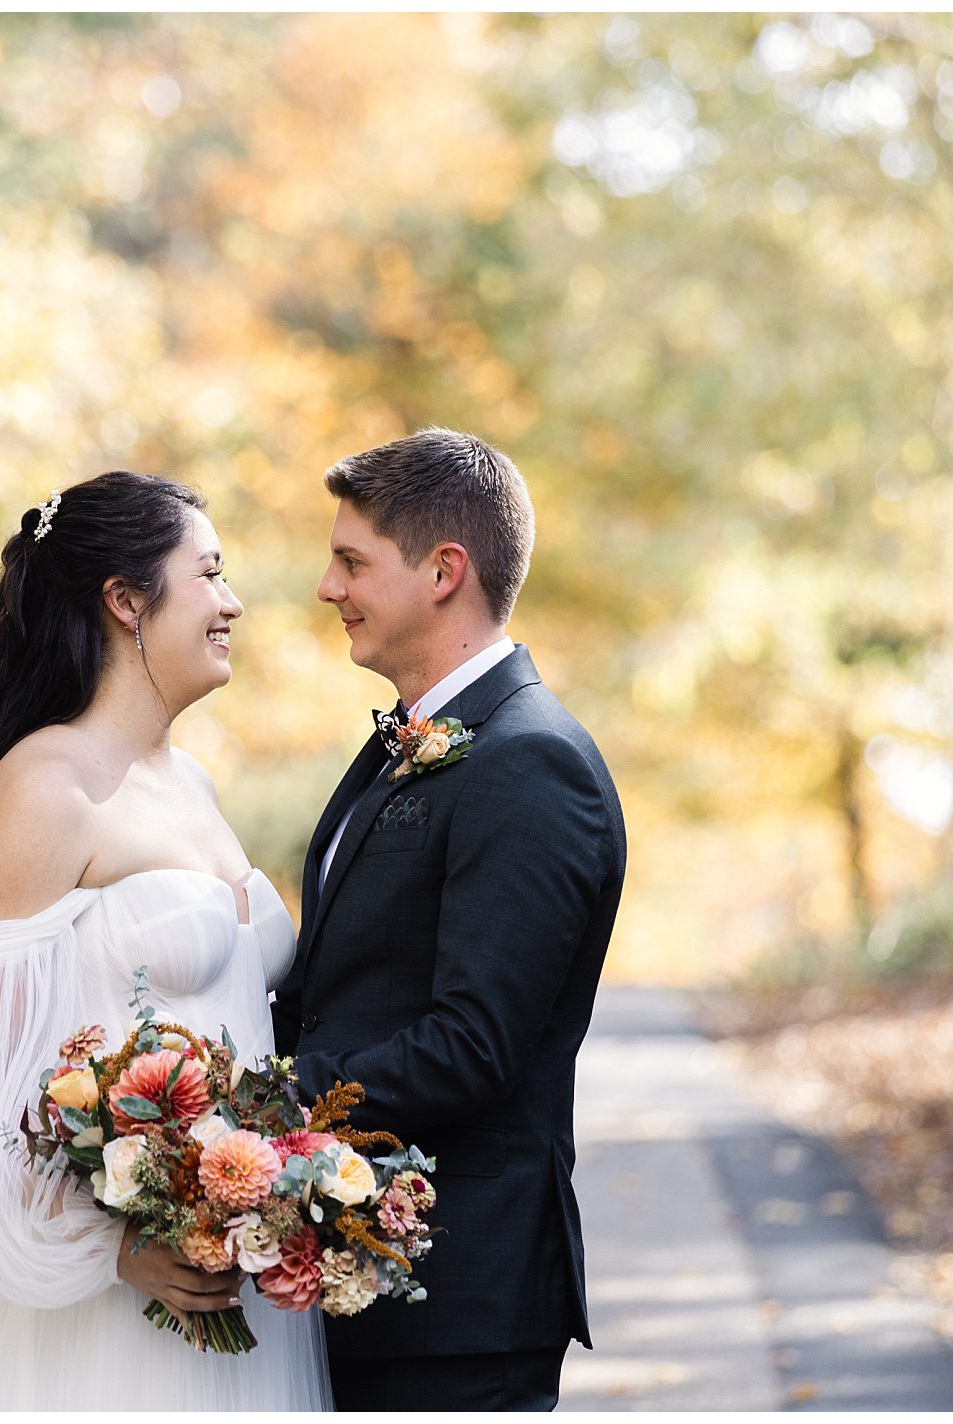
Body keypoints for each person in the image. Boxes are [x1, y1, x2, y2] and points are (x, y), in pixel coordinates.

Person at [0, 471, 332, 1410]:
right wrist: (117, 1248)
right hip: (106, 1312)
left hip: (237, 1282)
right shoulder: (41, 790)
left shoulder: (196, 785)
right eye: (209, 573)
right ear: (126, 598)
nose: (233, 602)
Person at [272, 429, 628, 1412]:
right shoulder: (422, 742)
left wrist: (267, 1105)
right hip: (363, 1279)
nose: (327, 586)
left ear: (443, 570)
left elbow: (476, 1041)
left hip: (456, 1297)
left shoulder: (529, 762)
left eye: (351, 561)